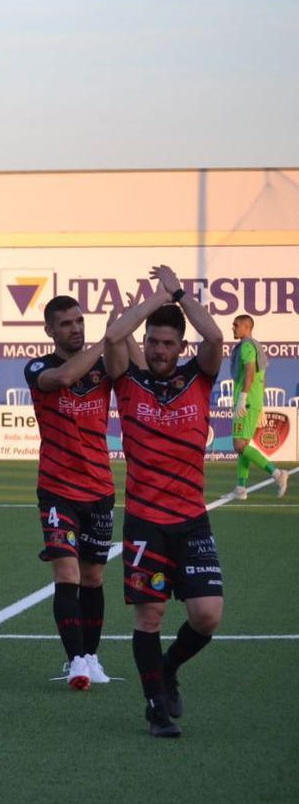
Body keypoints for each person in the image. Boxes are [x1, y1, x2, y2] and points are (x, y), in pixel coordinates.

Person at [103, 266, 227, 738]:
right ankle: (155, 706)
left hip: (192, 520)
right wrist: (155, 300)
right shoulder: (127, 381)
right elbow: (113, 336)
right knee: (149, 616)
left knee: (207, 615)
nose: (158, 350)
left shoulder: (199, 378)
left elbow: (215, 337)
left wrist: (177, 294)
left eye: (167, 343)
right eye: (153, 341)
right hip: (145, 523)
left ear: (180, 347)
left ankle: (169, 667)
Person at [25, 295, 114, 688]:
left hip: (99, 486)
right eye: (65, 323)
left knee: (93, 577)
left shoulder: (105, 367)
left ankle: (91, 657)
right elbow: (61, 379)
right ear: (50, 330)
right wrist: (107, 340)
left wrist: (123, 331)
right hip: (57, 488)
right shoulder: (38, 367)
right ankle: (76, 661)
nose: (75, 328)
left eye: (79, 321)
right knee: (67, 572)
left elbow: (136, 368)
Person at [229, 315, 290, 498]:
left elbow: (250, 371)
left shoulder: (247, 346)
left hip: (246, 402)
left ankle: (277, 473)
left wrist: (243, 397)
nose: (233, 328)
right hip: (253, 401)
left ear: (247, 327)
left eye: (236, 325)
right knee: (244, 444)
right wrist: (260, 404)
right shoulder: (257, 346)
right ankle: (241, 488)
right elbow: (262, 377)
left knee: (239, 445)